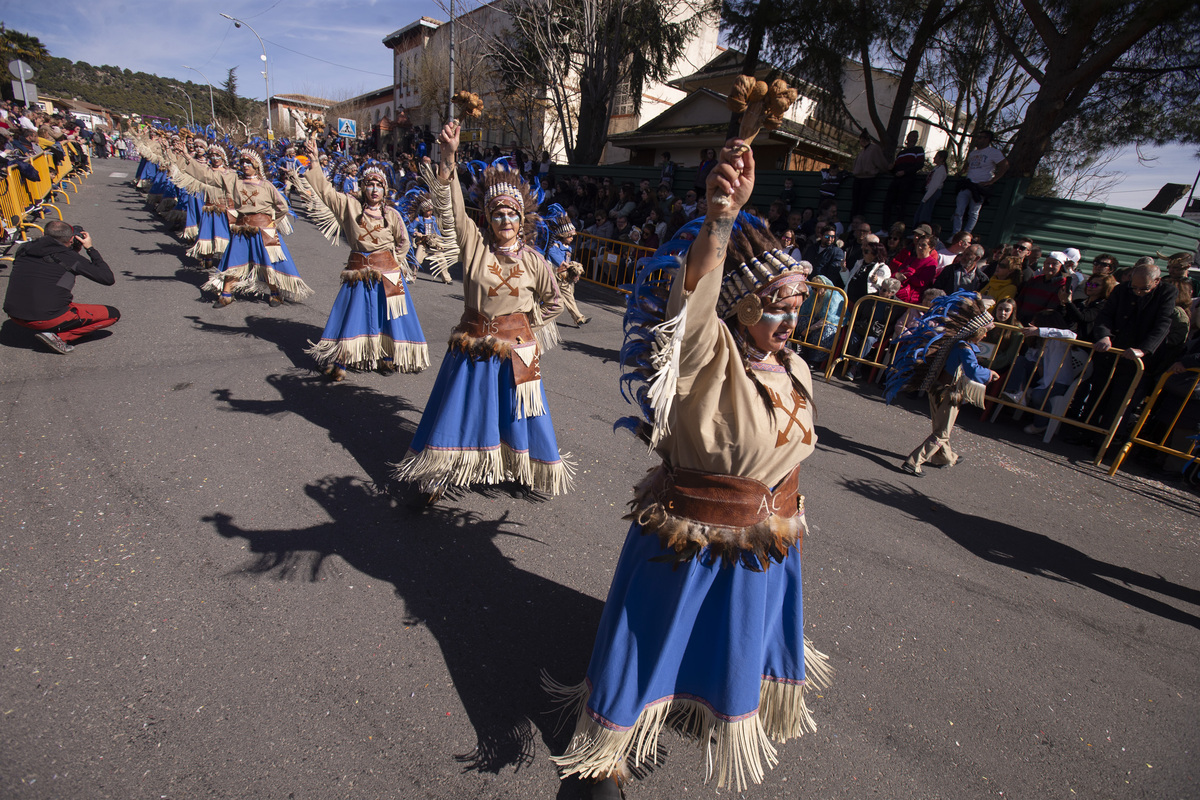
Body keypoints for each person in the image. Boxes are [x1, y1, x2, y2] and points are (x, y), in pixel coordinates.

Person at [550, 138, 831, 798]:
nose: (792, 316)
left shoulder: (794, 367)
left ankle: (705, 702)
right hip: (690, 536)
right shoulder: (708, 355)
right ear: (742, 308)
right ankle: (605, 756)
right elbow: (695, 298)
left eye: (799, 302)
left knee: (728, 640)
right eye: (779, 303)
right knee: (651, 642)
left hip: (767, 540)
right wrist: (722, 220)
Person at [392, 120, 572, 502]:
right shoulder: (475, 247)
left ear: (521, 220)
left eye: (511, 214)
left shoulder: (536, 261)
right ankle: (440, 472)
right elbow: (455, 211)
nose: (505, 221)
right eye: (497, 214)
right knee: (459, 411)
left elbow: (555, 301)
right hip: (473, 343)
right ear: (488, 219)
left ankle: (519, 464)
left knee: (516, 414)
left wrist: (529, 326)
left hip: (517, 351)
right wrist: (449, 157)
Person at [300, 138, 428, 382]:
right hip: (358, 273)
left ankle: (387, 355)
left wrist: (394, 263)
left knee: (387, 316)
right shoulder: (350, 206)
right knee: (352, 316)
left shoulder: (392, 215)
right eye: (370, 184)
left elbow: (404, 242)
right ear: (363, 187)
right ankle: (342, 361)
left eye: (379, 185)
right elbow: (326, 193)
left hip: (388, 275)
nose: (374, 189)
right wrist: (315, 162)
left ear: (385, 189)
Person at [173, 143, 312, 308]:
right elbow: (207, 176)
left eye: (248, 162)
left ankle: (275, 293)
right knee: (233, 262)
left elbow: (282, 207)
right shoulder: (234, 181)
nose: (245, 165)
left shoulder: (267, 186)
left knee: (268, 263)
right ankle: (226, 294)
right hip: (241, 229)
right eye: (242, 162)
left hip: (264, 231)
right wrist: (188, 158)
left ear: (256, 165)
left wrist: (271, 222)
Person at [886, 291, 1000, 476]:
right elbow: (973, 371)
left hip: (937, 389)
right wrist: (990, 374)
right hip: (949, 392)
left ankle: (945, 457)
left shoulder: (956, 343)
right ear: (977, 331)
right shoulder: (965, 347)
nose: (985, 336)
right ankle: (914, 461)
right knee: (942, 433)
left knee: (941, 427)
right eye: (985, 332)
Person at [3, 220, 119, 354]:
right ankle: (60, 337)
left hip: (14, 314)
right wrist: (90, 249)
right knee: (112, 314)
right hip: (46, 318)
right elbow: (107, 278)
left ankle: (54, 326)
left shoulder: (24, 248)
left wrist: (72, 251)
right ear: (71, 239)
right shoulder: (70, 257)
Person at [951, 131, 1008, 235]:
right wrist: (960, 173)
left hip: (980, 187)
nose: (977, 139)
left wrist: (992, 181)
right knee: (959, 211)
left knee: (973, 212)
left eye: (981, 137)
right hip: (968, 184)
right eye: (978, 137)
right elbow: (967, 167)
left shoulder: (993, 152)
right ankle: (955, 234)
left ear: (987, 139)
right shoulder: (973, 153)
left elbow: (1004, 165)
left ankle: (966, 235)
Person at [544, 204, 590, 326]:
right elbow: (561, 263)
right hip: (553, 278)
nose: (571, 238)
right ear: (562, 235)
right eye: (569, 236)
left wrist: (575, 272)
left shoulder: (568, 248)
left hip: (563, 279)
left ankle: (579, 318)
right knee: (548, 300)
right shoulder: (554, 248)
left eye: (572, 236)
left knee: (569, 298)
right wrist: (573, 268)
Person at [882, 130, 925, 227]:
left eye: (916, 136)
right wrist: (892, 169)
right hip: (897, 180)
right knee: (887, 203)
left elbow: (919, 164)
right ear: (907, 137)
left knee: (900, 205)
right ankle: (884, 228)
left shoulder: (918, 150)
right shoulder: (901, 153)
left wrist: (905, 172)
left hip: (908, 181)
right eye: (912, 135)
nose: (914, 138)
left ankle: (898, 228)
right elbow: (896, 167)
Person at [913, 149, 948, 227]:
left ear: (941, 159)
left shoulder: (941, 170)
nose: (934, 158)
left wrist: (926, 198)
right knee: (920, 212)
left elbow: (934, 185)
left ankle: (922, 229)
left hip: (932, 192)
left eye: (936, 157)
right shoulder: (936, 168)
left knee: (924, 213)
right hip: (929, 192)